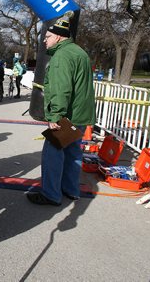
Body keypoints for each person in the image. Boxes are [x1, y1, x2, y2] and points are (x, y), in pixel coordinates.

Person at [27, 11, 95, 206]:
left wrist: (55, 116)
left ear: (58, 36)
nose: (44, 41)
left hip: (66, 116)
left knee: (52, 153)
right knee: (73, 153)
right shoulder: (79, 52)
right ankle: (71, 190)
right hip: (81, 115)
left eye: (47, 37)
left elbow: (61, 89)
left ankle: (50, 194)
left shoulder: (61, 56)